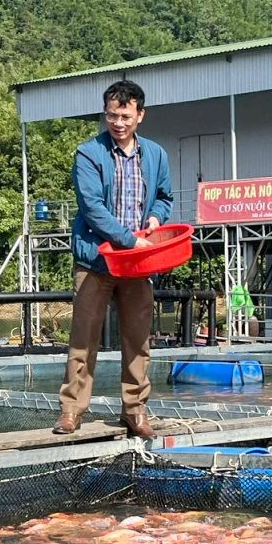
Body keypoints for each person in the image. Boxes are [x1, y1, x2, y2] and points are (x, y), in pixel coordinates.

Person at [56, 78, 173, 438]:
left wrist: (155, 218)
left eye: (124, 116)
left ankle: (135, 410)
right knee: (83, 339)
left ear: (140, 115)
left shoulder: (155, 154)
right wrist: (128, 240)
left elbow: (164, 198)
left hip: (138, 265)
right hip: (97, 260)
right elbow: (92, 208)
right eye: (111, 116)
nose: (117, 123)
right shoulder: (88, 153)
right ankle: (72, 411)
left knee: (138, 339)